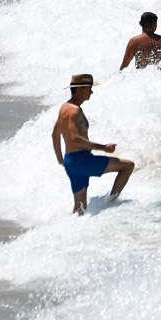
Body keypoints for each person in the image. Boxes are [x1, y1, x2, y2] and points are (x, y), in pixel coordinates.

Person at [51, 74, 136, 215]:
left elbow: (55, 134)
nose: (91, 92)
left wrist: (60, 159)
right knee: (128, 166)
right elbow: (75, 139)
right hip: (82, 160)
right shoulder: (75, 110)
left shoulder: (64, 107)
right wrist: (104, 148)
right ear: (80, 89)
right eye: (89, 88)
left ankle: (72, 231)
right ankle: (111, 204)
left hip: (71, 162)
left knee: (80, 208)